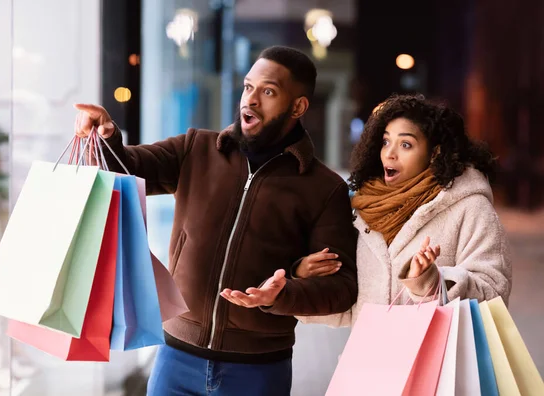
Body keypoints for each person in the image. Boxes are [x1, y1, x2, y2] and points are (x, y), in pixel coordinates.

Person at [74, 46, 358, 395]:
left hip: (259, 371)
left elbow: (342, 288)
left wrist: (281, 294)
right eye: (247, 87)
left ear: (298, 107)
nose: (250, 100)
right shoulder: (197, 149)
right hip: (175, 360)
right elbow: (125, 168)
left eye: (267, 91)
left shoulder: (324, 188)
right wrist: (107, 137)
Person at [296, 94, 511, 328]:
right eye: (386, 142)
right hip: (371, 361)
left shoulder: (470, 207)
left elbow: (494, 293)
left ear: (434, 153)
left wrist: (432, 283)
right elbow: (348, 309)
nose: (389, 153)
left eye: (406, 144)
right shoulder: (365, 210)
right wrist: (306, 281)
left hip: (438, 362)